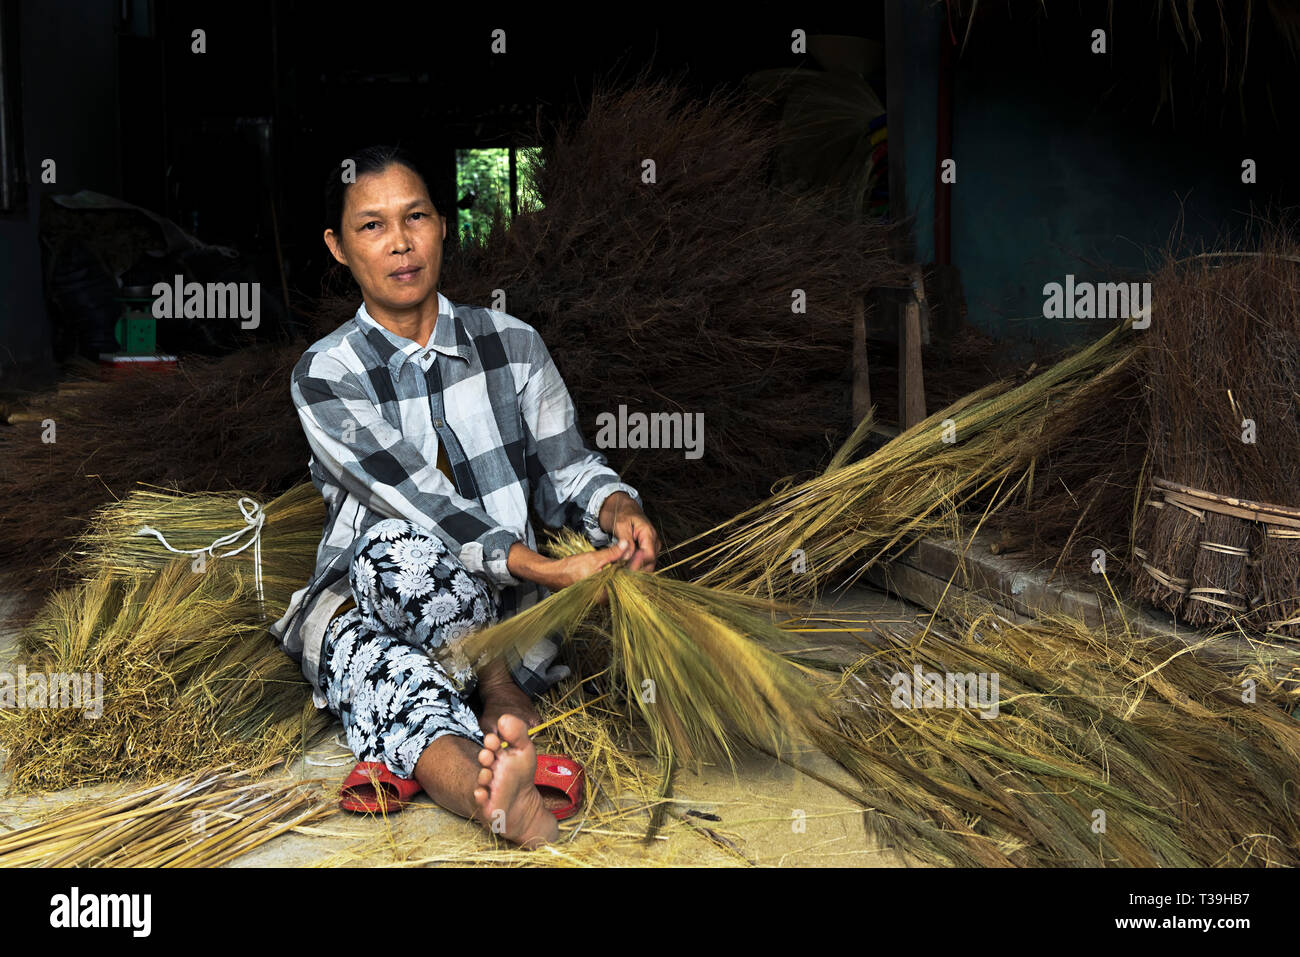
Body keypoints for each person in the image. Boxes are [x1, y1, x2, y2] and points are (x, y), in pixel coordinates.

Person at [269, 145, 660, 847]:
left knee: (398, 688)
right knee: (392, 566)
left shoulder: (513, 344)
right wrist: (544, 568)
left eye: (415, 217)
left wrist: (616, 507)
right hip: (372, 598)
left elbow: (569, 468)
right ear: (336, 246)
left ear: (443, 226)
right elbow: (421, 501)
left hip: (504, 614)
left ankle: (496, 759)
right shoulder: (326, 374)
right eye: (372, 226)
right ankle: (501, 743)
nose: (400, 242)